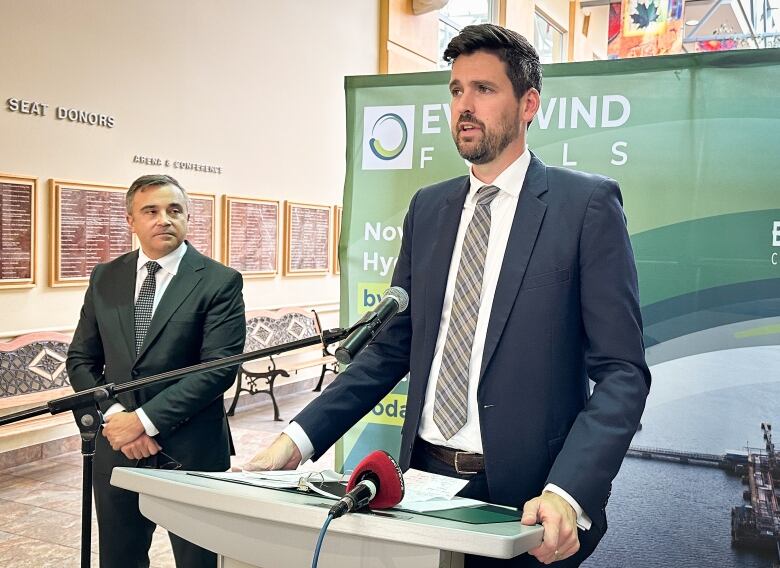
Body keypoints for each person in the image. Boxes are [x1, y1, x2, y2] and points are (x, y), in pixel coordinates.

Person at [245, 23, 650, 567]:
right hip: (421, 489)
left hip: (527, 503)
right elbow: (390, 349)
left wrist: (568, 490)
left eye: (484, 89)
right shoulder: (429, 209)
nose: (464, 105)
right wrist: (295, 440)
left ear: (528, 103)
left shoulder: (585, 207)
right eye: (457, 90)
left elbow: (623, 371)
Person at [67, 174, 246, 568]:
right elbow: (81, 360)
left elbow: (216, 370)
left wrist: (144, 421)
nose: (164, 219)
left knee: (198, 560)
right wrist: (119, 420)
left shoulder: (219, 282)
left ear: (186, 218)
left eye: (174, 210)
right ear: (131, 220)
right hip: (116, 448)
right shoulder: (105, 277)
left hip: (191, 450)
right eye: (151, 211)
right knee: (120, 559)